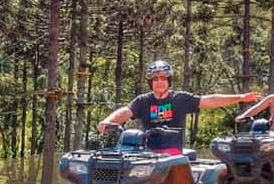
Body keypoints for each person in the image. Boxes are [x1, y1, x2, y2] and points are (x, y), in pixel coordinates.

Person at [97, 60, 259, 153]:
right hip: (146, 152)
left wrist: (240, 97)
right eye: (155, 79)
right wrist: (108, 121)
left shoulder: (180, 99)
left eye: (163, 78)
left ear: (169, 81)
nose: (159, 81)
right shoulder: (143, 100)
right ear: (150, 82)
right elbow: (125, 111)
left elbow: (209, 100)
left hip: (172, 151)